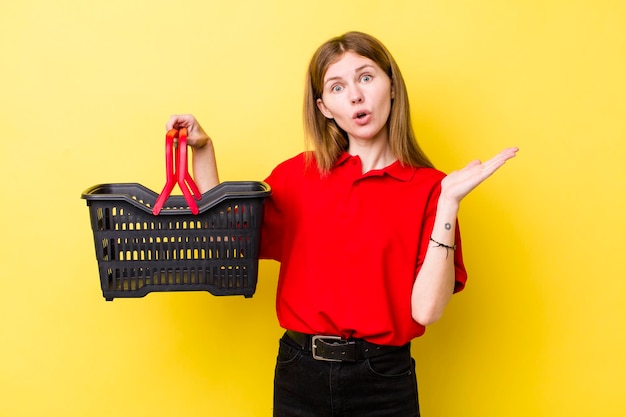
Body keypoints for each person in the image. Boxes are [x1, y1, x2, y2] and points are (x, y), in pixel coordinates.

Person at [166, 31, 517, 417]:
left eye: (366, 77)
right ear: (325, 108)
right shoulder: (298, 176)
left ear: (392, 86)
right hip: (299, 374)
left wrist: (449, 203)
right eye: (337, 87)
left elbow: (426, 312)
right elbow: (228, 239)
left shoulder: (431, 188)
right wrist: (203, 150)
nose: (355, 96)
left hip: (384, 380)